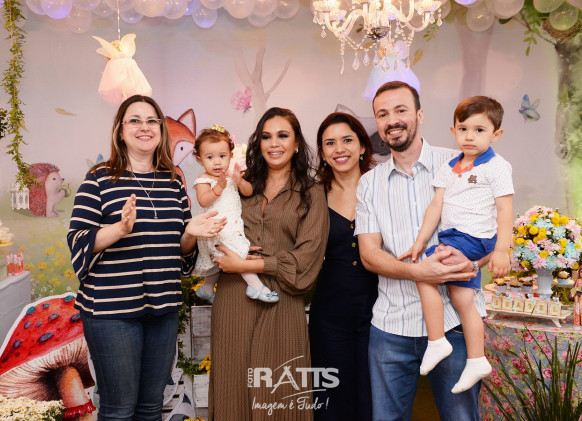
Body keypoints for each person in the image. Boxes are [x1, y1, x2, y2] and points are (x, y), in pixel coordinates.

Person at [67, 94, 226, 420]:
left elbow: (181, 251)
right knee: (119, 409)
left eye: (152, 120)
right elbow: (79, 239)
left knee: (152, 408)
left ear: (161, 130)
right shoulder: (99, 179)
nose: (145, 127)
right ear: (120, 130)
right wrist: (119, 229)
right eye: (135, 120)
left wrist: (191, 231)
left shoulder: (173, 182)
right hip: (111, 312)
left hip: (162, 309)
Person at [355, 81, 488, 421]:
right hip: (391, 327)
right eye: (382, 114)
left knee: (461, 418)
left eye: (401, 110)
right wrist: (418, 271)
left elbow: (489, 234)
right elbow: (369, 254)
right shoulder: (369, 183)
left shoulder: (460, 164)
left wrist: (472, 262)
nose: (392, 120)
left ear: (420, 114)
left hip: (455, 323)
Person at [209, 107, 329, 420]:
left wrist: (250, 265)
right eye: (266, 136)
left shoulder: (312, 191)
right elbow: (214, 224)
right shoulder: (240, 183)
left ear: (297, 143)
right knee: (232, 393)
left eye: (282, 135)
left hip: (283, 301)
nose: (273, 143)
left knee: (280, 400)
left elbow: (308, 260)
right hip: (234, 300)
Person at [398, 96, 514, 393]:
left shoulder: (497, 167)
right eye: (463, 129)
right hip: (452, 237)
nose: (469, 136)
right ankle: (477, 360)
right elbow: (435, 207)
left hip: (473, 237)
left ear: (496, 134)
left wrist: (502, 250)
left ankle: (437, 341)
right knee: (462, 299)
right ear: (453, 131)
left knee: (424, 274)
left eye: (479, 130)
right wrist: (419, 242)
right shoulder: (450, 167)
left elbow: (505, 210)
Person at [309, 112, 378, 421]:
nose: (339, 149)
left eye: (347, 140)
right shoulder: (313, 195)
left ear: (362, 145)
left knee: (373, 393)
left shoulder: (381, 186)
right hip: (329, 312)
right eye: (330, 143)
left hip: (380, 310)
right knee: (332, 398)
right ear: (323, 153)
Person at [192, 124, 279, 304]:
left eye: (222, 156)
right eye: (210, 157)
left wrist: (239, 181)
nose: (217, 162)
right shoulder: (203, 179)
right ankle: (255, 286)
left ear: (231, 156)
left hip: (233, 226)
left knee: (222, 259)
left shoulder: (231, 176)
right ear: (200, 159)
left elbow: (248, 192)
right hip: (217, 228)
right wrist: (218, 187)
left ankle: (206, 288)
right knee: (238, 253)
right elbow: (203, 200)